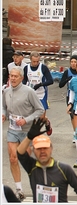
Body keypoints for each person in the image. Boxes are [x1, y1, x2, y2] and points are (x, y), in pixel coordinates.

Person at [17, 122, 77, 202]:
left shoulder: (64, 169)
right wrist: (29, 137)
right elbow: (20, 153)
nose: (42, 151)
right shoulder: (31, 167)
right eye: (39, 149)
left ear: (51, 149)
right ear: (33, 150)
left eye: (45, 148)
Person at [2, 66, 44, 201]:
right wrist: (3, 115)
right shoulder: (6, 91)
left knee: (26, 161)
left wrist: (26, 119)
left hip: (27, 131)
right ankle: (19, 189)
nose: (12, 78)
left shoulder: (29, 92)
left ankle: (37, 186)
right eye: (11, 76)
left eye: (15, 76)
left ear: (21, 78)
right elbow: (3, 106)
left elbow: (40, 110)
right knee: (13, 158)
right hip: (13, 130)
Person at [22, 51, 53, 135]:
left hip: (41, 94)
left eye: (37, 61)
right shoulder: (26, 68)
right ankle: (34, 135)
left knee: (41, 117)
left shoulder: (43, 68)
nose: (35, 63)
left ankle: (46, 122)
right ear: (30, 60)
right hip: (30, 94)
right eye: (34, 61)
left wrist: (40, 84)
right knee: (32, 116)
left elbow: (51, 81)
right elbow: (24, 80)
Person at [58, 55, 77, 142]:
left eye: (75, 62)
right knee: (72, 115)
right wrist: (67, 79)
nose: (73, 64)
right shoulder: (67, 72)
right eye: (72, 62)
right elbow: (60, 85)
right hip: (70, 96)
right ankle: (75, 133)